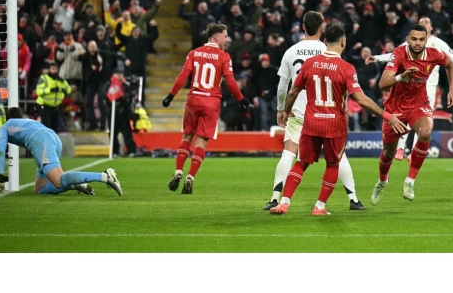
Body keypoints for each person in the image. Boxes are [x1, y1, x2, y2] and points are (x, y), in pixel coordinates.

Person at [269, 24, 405, 215]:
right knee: (333, 164)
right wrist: (387, 116)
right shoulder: (346, 68)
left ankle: (283, 202)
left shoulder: (309, 64)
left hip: (311, 122)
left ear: (325, 42)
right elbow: (361, 99)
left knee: (301, 163)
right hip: (334, 124)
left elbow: (293, 91)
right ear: (343, 42)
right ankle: (320, 206)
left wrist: (284, 110)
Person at [263, 11, 368, 211]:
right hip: (328, 113)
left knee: (291, 154)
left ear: (303, 27)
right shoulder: (328, 48)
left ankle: (276, 198)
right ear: (322, 29)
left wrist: (281, 109)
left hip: (298, 112)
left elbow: (283, 85)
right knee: (338, 158)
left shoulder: (291, 51)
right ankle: (353, 199)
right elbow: (339, 84)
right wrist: (343, 108)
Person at [369, 24, 453, 205]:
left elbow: (450, 64)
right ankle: (383, 180)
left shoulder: (434, 54)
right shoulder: (399, 54)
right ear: (407, 39)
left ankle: (410, 181)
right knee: (388, 153)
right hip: (396, 108)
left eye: (421, 39)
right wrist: (403, 76)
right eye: (414, 39)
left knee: (425, 132)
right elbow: (383, 84)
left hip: (419, 104)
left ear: (426, 40)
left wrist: (452, 90)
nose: (417, 43)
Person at [162, 23, 251, 194]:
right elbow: (231, 82)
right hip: (211, 102)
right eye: (225, 36)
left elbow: (183, 76)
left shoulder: (194, 53)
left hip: (193, 100)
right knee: (201, 141)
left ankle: (178, 171)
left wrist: (171, 96)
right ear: (216, 38)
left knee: (187, 136)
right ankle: (190, 177)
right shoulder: (224, 56)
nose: (227, 39)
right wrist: (241, 99)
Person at [366, 16, 453, 160]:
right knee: (404, 115)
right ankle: (400, 148)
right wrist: (377, 58)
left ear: (430, 28)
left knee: (421, 122)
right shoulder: (410, 43)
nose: (423, 24)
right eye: (421, 22)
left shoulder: (437, 44)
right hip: (407, 85)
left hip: (428, 86)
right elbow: (395, 55)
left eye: (427, 22)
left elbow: (451, 59)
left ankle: (413, 152)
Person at [0, 106, 122, 196]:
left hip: (40, 142)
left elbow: (0, 151)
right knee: (39, 189)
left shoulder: (5, 126)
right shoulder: (27, 121)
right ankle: (76, 185)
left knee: (59, 180)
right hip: (53, 137)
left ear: (7, 118)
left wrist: (0, 177)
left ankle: (105, 176)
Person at [35, 61, 71, 134]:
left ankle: (53, 143)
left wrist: (64, 89)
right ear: (49, 69)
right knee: (47, 125)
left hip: (55, 106)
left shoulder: (61, 80)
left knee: (55, 127)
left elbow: (68, 90)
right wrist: (50, 90)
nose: (54, 71)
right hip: (44, 105)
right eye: (52, 69)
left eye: (56, 69)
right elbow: (38, 91)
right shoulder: (44, 78)